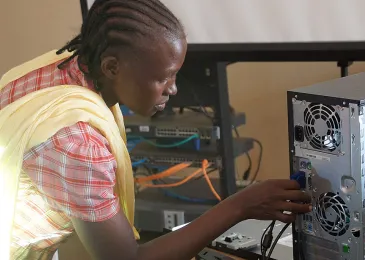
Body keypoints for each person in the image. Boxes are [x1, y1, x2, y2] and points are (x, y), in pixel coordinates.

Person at [0, 0, 312, 259]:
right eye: (164, 78)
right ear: (111, 67)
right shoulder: (77, 142)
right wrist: (240, 206)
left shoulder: (60, 65)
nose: (173, 89)